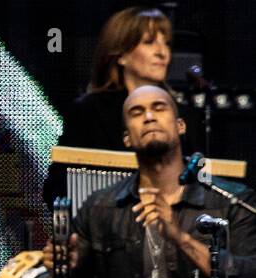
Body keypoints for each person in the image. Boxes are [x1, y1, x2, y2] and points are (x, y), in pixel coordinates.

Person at [43, 85, 256, 278]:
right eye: (137, 112)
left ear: (180, 125)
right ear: (127, 138)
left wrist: (180, 238)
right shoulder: (99, 208)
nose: (149, 116)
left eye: (159, 108)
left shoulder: (231, 201)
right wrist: (61, 270)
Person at [43, 5, 201, 207]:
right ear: (122, 55)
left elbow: (202, 185)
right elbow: (58, 186)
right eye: (149, 42)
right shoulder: (88, 112)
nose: (163, 52)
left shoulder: (185, 115)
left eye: (167, 43)